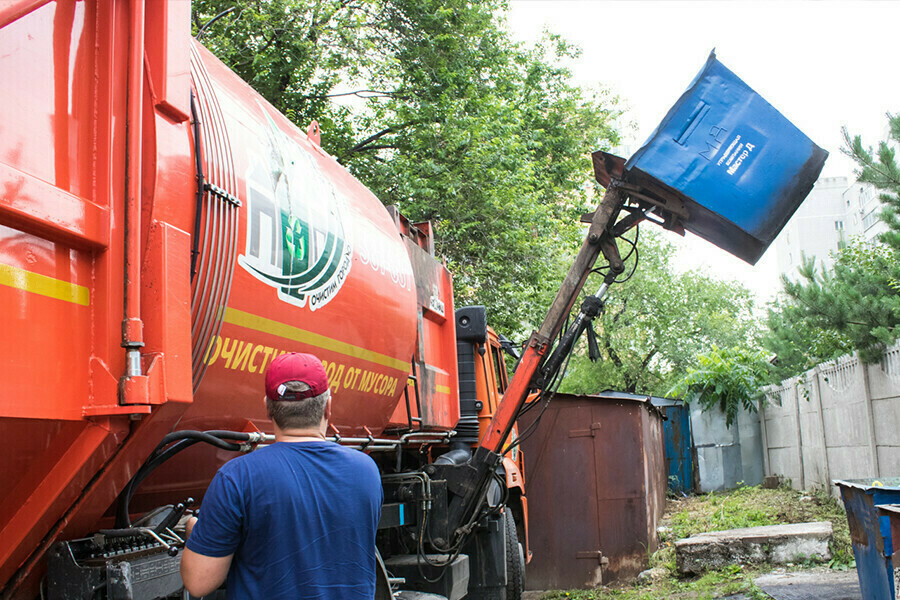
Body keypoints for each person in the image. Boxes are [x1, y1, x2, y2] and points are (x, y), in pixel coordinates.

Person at [180, 352, 383, 599]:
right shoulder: (366, 470)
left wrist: (196, 531)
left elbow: (199, 583)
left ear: (268, 408)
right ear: (328, 407)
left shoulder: (237, 477)